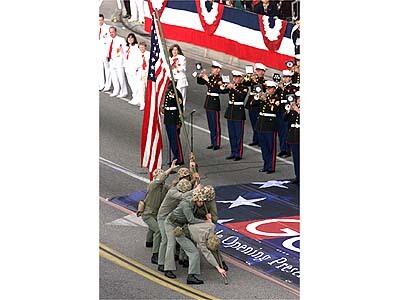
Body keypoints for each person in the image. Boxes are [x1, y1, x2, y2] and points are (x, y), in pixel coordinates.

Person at [165, 189, 209, 284]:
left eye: (202, 201)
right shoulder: (186, 205)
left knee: (191, 248)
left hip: (181, 225)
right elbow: (191, 220)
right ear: (195, 199)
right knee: (171, 244)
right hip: (171, 223)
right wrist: (206, 222)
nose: (201, 203)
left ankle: (188, 267)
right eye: (200, 201)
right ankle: (168, 269)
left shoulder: (194, 204)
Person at [140, 161, 178, 265]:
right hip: (148, 213)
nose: (162, 179)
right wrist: (170, 169)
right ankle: (155, 254)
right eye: (160, 176)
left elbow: (175, 190)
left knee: (153, 227)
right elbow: (161, 178)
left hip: (157, 213)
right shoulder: (152, 185)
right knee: (158, 231)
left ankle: (149, 242)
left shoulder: (164, 187)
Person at [156, 175, 195, 277]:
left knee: (168, 241)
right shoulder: (173, 192)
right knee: (168, 241)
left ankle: (163, 262)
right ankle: (165, 266)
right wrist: (195, 191)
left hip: (171, 217)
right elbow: (183, 196)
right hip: (164, 217)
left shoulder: (178, 190)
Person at [220, 70, 248, 161]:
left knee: (238, 134)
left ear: (240, 78)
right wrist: (225, 86)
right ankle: (233, 151)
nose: (235, 79)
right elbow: (221, 90)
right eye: (234, 77)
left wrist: (233, 88)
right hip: (231, 112)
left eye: (237, 78)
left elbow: (241, 97)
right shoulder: (232, 86)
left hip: (238, 112)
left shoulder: (244, 87)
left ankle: (238, 153)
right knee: (231, 134)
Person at [197, 61, 223, 150]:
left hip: (214, 102)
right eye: (212, 68)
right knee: (211, 124)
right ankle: (212, 142)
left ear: (218, 70)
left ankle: (217, 143)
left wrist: (207, 80)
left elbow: (215, 88)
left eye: (214, 68)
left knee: (215, 124)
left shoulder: (220, 79)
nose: (212, 69)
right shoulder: (211, 77)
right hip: (208, 102)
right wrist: (200, 76)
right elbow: (200, 82)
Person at [256, 80, 280, 173]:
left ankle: (271, 167)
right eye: (267, 88)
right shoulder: (263, 96)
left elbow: (274, 109)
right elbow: (253, 104)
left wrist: (266, 100)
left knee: (271, 147)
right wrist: (258, 98)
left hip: (270, 124)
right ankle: (266, 165)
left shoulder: (276, 99)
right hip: (261, 123)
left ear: (274, 89)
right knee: (264, 147)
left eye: (269, 88)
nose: (267, 90)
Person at [243, 63, 267, 146]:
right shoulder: (253, 79)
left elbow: (260, 87)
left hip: (258, 104)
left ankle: (261, 140)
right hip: (251, 103)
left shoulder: (264, 82)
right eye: (257, 70)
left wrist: (255, 80)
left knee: (258, 123)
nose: (257, 72)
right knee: (253, 122)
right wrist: (248, 77)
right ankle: (255, 139)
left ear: (263, 72)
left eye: (260, 71)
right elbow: (245, 83)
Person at [276, 69, 298, 158]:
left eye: (287, 77)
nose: (285, 79)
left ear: (290, 78)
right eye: (284, 77)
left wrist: (283, 88)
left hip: (287, 111)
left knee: (286, 131)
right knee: (281, 131)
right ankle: (283, 149)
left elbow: (291, 99)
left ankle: (287, 150)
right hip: (280, 111)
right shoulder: (280, 87)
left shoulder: (292, 88)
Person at [161, 83, 185, 166]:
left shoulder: (176, 93)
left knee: (175, 139)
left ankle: (179, 158)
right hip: (168, 118)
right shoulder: (168, 92)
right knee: (171, 139)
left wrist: (179, 121)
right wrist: (164, 108)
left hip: (174, 118)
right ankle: (174, 157)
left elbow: (180, 108)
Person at [107, 26, 128, 98]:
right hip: (111, 60)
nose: (111, 33)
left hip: (119, 61)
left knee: (121, 77)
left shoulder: (121, 40)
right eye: (110, 32)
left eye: (112, 32)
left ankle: (124, 92)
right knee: (114, 77)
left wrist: (124, 60)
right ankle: (116, 90)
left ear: (116, 32)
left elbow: (125, 50)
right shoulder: (108, 39)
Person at [285, 91, 300, 184]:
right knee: (296, 157)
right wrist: (288, 111)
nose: (298, 101)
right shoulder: (294, 110)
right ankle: (298, 176)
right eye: (298, 99)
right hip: (294, 136)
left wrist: (298, 111)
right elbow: (285, 119)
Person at [129, 41, 149, 110]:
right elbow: (135, 64)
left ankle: (149, 103)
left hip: (147, 73)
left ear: (145, 47)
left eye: (143, 47)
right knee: (141, 89)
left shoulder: (148, 54)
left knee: (148, 89)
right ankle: (142, 103)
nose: (141, 49)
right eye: (140, 47)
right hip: (140, 73)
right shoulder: (137, 55)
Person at [169, 44, 188, 110]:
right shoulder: (170, 59)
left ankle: (181, 112)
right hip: (173, 80)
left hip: (181, 80)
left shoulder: (182, 58)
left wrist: (176, 66)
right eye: (173, 50)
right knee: (173, 96)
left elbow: (183, 69)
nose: (174, 51)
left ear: (178, 51)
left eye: (176, 50)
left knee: (181, 97)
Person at [123, 33, 139, 101]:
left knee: (136, 84)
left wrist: (137, 67)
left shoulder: (136, 47)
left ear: (134, 39)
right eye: (129, 38)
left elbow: (138, 57)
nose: (130, 39)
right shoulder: (126, 47)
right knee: (131, 83)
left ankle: (137, 98)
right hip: (127, 68)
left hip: (134, 68)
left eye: (132, 38)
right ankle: (134, 97)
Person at [99, 14, 111, 91]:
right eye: (98, 20)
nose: (100, 21)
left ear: (103, 20)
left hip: (105, 50)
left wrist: (108, 52)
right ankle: (101, 84)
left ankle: (108, 85)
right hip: (97, 50)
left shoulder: (107, 28)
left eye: (101, 20)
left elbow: (109, 40)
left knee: (107, 68)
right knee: (99, 68)